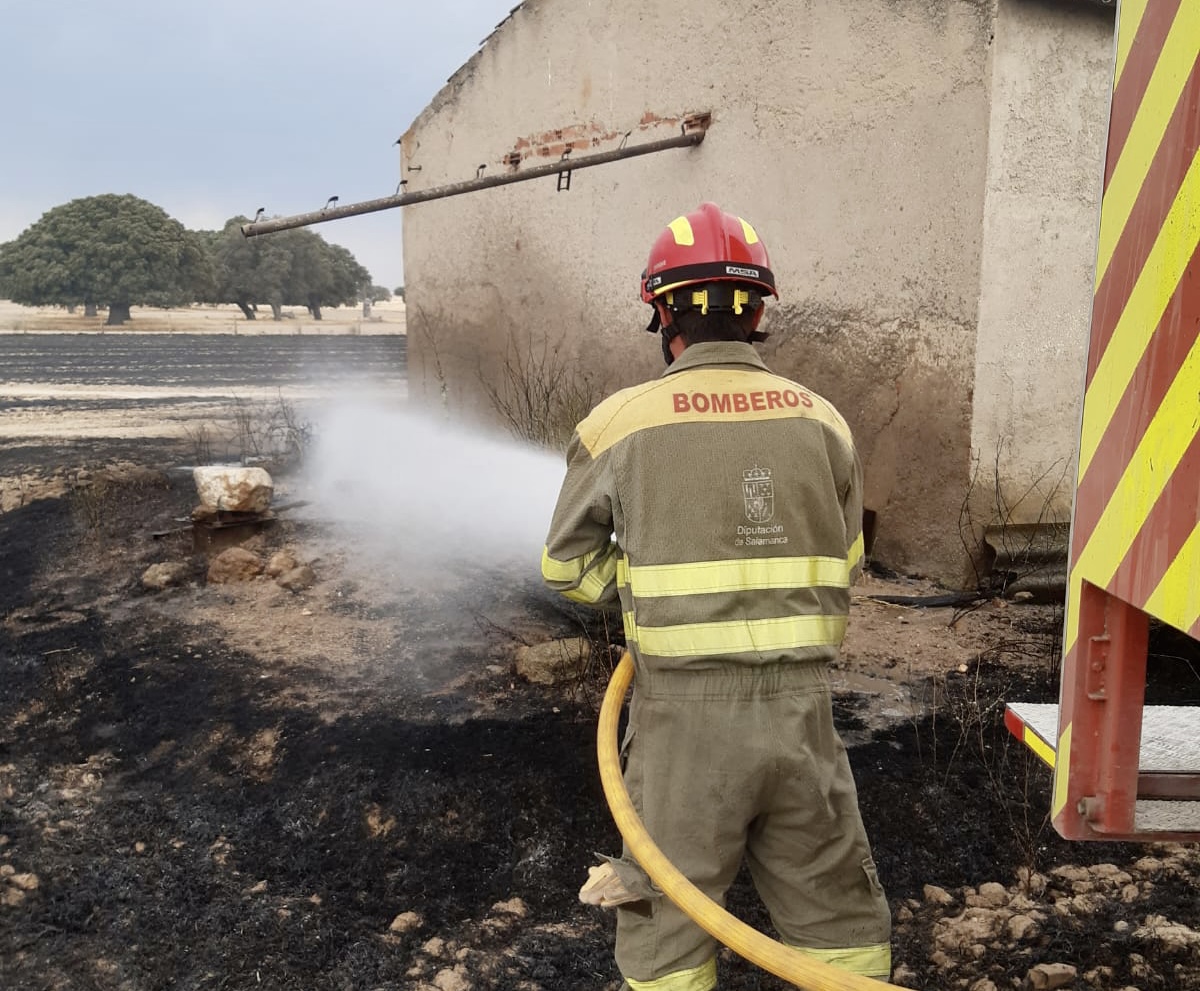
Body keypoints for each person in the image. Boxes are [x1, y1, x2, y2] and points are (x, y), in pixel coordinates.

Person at [541, 202, 892, 991]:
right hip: (804, 719)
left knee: (667, 923)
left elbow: (565, 567)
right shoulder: (824, 421)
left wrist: (641, 592)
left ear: (662, 313)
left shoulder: (617, 424)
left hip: (682, 725)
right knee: (839, 919)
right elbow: (846, 558)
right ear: (758, 313)